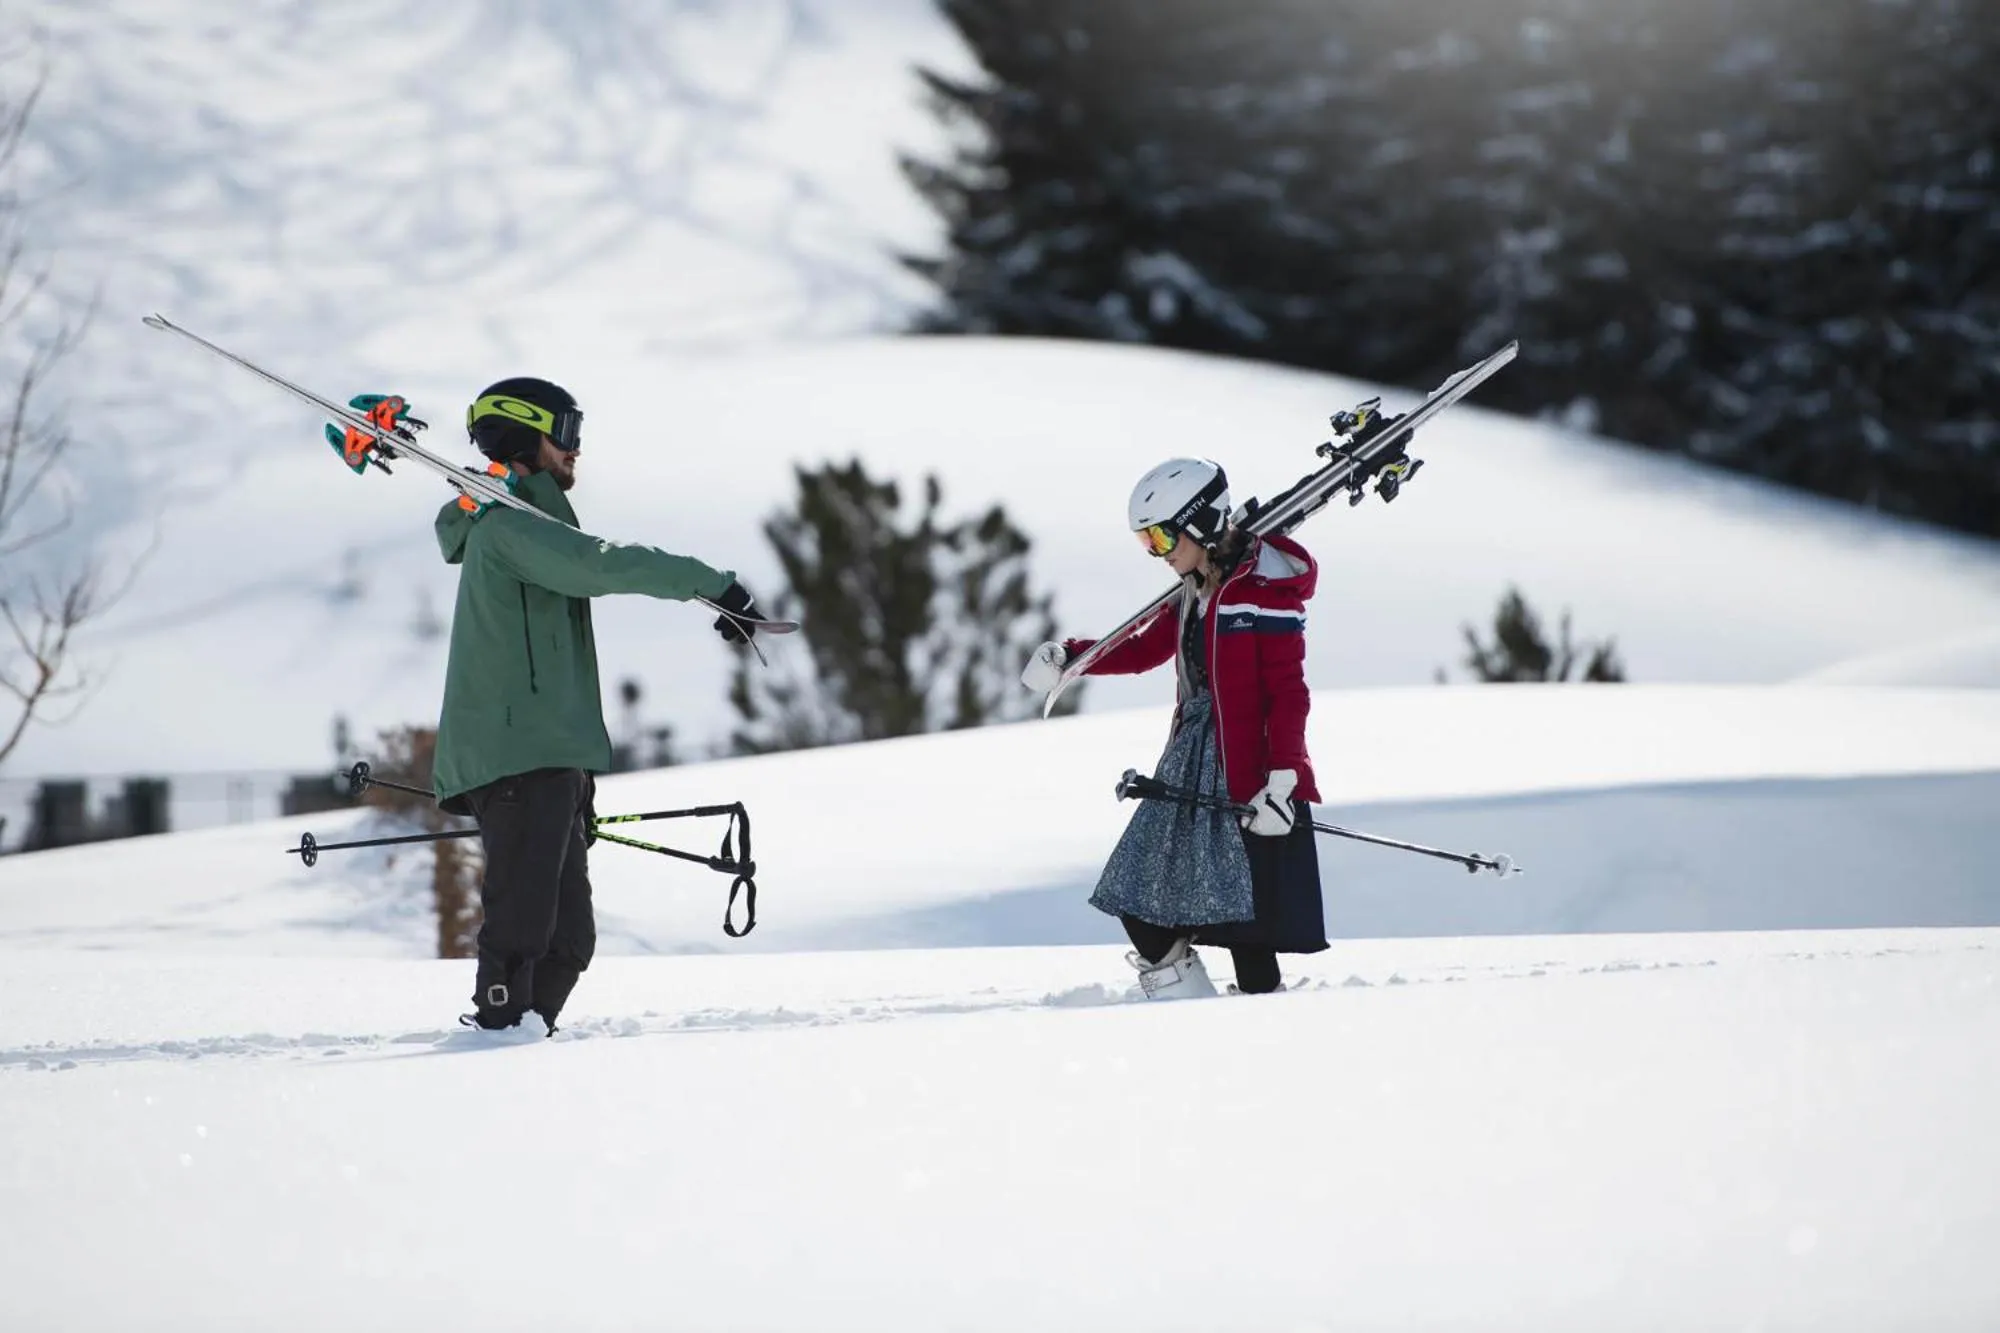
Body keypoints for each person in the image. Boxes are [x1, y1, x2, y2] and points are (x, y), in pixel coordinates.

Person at [415, 376, 762, 1034]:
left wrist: (576, 780)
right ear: (524, 436)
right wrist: (711, 585)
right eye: (565, 433)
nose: (576, 449)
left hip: (552, 759)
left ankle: (524, 1037)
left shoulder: (525, 523)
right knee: (523, 929)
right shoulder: (509, 528)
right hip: (517, 758)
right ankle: (494, 1038)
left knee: (569, 941)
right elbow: (601, 565)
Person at [1021, 457, 1327, 998]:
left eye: (1162, 537)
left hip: (1248, 770)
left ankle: (1260, 1019)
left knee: (1247, 929)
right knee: (1138, 892)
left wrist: (1283, 781)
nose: (1157, 553)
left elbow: (1288, 693)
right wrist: (1073, 657)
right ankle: (1186, 1004)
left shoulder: (1263, 591)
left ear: (1201, 522)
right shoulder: (1192, 590)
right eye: (1147, 542)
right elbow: (1143, 650)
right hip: (1191, 758)